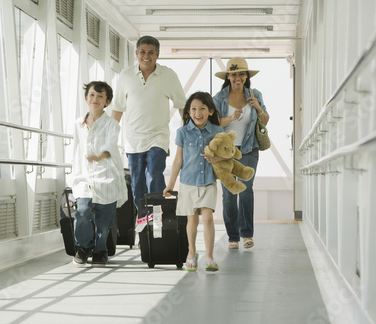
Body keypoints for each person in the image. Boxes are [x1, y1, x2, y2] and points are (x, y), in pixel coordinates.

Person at [111, 35, 186, 210]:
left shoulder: (168, 75)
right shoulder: (126, 76)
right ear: (136, 53)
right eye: (142, 52)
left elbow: (182, 106)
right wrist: (109, 139)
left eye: (151, 52)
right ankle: (144, 222)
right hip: (133, 141)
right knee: (137, 184)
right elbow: (117, 109)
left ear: (157, 55)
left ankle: (157, 217)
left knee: (153, 174)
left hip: (157, 137)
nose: (146, 56)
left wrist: (190, 131)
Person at [213, 57, 270, 249]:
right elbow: (213, 125)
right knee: (229, 193)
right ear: (228, 76)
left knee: (245, 189)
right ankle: (233, 237)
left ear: (246, 76)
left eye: (242, 74)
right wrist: (231, 117)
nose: (238, 78)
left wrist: (258, 107)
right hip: (226, 152)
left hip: (248, 149)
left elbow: (265, 120)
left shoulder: (255, 94)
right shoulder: (219, 98)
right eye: (234, 74)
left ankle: (247, 234)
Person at [69, 81, 127, 266]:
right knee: (82, 212)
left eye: (100, 96)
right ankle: (83, 247)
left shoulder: (112, 125)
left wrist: (100, 155)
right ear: (86, 98)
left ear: (107, 102)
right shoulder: (77, 124)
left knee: (103, 223)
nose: (95, 99)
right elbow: (74, 150)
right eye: (92, 95)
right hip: (84, 178)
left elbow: (110, 145)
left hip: (107, 178)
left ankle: (100, 250)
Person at [163, 92, 223, 272]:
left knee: (208, 218)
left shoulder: (218, 132)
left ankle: (210, 257)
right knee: (192, 222)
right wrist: (170, 185)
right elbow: (178, 160)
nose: (198, 113)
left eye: (202, 109)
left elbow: (227, 156)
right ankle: (191, 252)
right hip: (188, 183)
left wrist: (216, 158)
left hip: (208, 182)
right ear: (188, 112)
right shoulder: (182, 132)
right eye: (194, 109)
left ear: (211, 111)